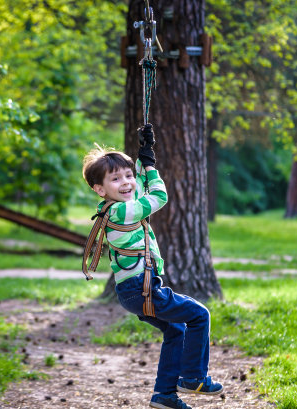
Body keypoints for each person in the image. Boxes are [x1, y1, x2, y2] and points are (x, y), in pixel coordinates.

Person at [82, 124, 223, 409]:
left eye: (128, 176)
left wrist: (146, 161)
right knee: (199, 315)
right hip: (141, 289)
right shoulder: (121, 211)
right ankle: (193, 377)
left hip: (133, 292)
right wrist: (150, 167)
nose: (126, 182)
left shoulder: (116, 207)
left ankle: (164, 395)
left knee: (176, 331)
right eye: (115, 179)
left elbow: (141, 191)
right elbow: (158, 197)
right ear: (100, 189)